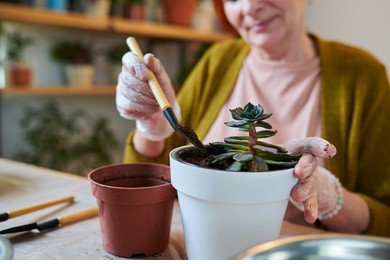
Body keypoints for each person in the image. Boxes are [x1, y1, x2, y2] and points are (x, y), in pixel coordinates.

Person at [116, 0, 390, 237]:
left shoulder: (362, 77)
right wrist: (151, 130)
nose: (249, 7)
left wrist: (333, 199)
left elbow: (385, 220)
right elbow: (148, 185)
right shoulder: (218, 61)